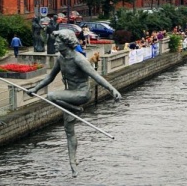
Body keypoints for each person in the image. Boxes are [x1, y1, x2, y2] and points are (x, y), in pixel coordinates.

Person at [27, 29, 122, 177]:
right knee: (69, 131)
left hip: (81, 95)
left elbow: (96, 76)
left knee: (51, 96)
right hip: (68, 97)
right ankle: (73, 163)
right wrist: (35, 88)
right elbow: (50, 78)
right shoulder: (60, 59)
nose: (55, 43)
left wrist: (113, 90)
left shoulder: (79, 59)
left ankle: (77, 110)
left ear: (66, 43)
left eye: (58, 41)